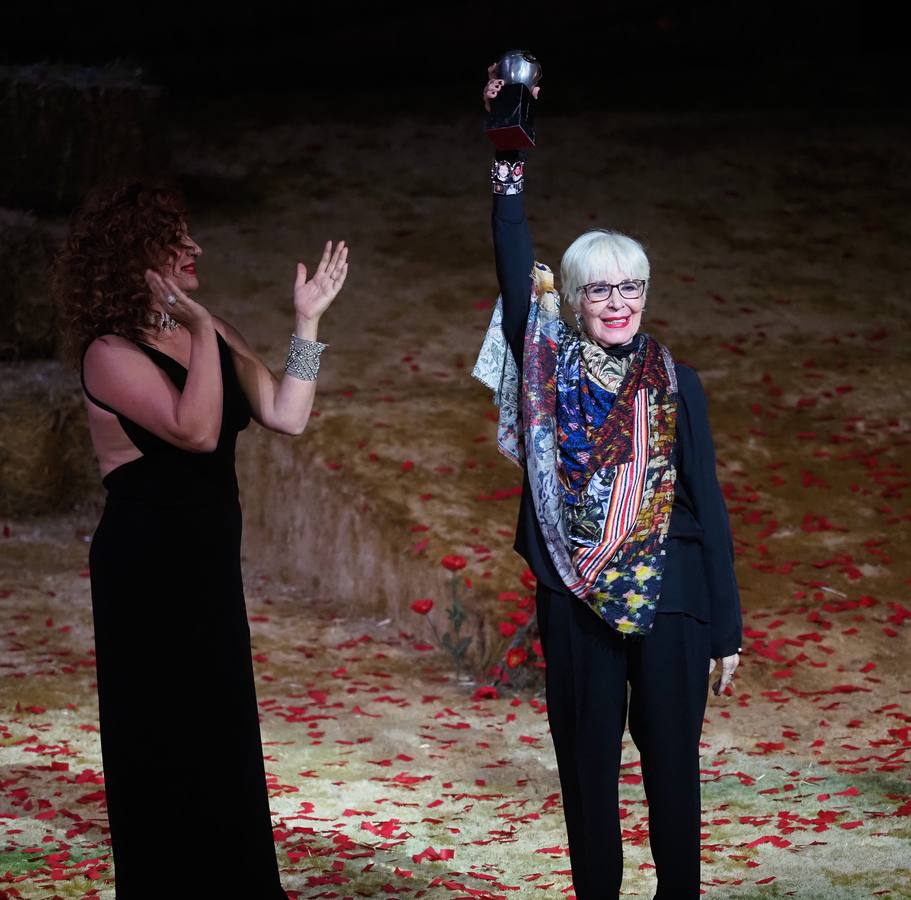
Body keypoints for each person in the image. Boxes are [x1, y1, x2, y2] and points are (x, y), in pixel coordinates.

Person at [474, 70, 742, 899]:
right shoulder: (544, 366)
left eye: (631, 287)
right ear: (574, 298)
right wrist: (506, 152)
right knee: (587, 777)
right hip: (576, 597)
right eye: (600, 288)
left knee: (672, 773)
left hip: (673, 596)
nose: (618, 302)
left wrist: (725, 629)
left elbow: (704, 498)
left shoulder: (676, 381)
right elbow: (513, 252)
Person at [53, 180, 348, 897]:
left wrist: (305, 325)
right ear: (134, 254)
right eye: (176, 240)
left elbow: (285, 413)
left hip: (205, 569)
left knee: (220, 738)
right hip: (145, 572)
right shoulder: (108, 352)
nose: (196, 249)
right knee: (162, 740)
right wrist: (198, 327)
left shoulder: (206, 329)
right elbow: (195, 430)